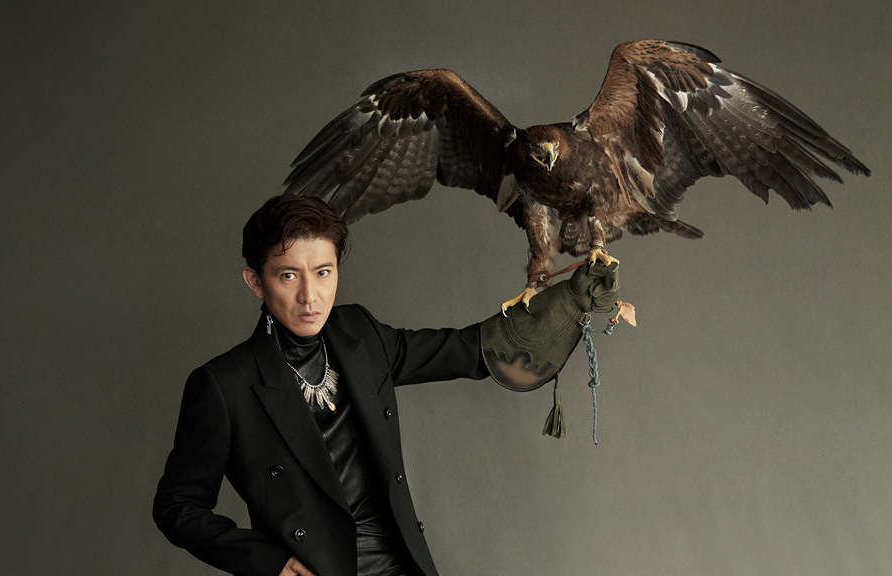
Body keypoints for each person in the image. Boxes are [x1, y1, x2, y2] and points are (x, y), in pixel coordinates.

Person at [154, 194, 619, 576]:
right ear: (256, 282)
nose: (310, 296)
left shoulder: (360, 334)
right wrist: (268, 563)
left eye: (323, 272)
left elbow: (462, 350)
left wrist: (567, 301)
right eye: (288, 275)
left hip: (402, 564)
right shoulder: (224, 385)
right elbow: (178, 505)